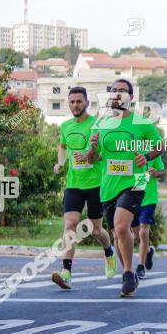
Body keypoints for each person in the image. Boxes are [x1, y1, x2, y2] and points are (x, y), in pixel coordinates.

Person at [86, 78, 164, 297]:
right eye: (114, 91)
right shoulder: (101, 125)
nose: (118, 94)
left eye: (123, 91)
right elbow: (93, 160)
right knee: (118, 233)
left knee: (121, 227)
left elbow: (160, 146)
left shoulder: (142, 123)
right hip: (109, 185)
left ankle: (128, 273)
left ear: (131, 97)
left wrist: (147, 157)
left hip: (137, 181)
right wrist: (92, 149)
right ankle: (128, 273)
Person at [51, 87, 116, 289]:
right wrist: (60, 163)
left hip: (95, 184)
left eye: (79, 101)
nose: (75, 105)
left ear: (87, 103)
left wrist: (89, 156)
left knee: (96, 230)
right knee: (70, 225)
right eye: (72, 102)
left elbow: (103, 155)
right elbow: (63, 146)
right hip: (74, 184)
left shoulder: (97, 125)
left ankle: (109, 252)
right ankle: (66, 272)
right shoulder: (66, 126)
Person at [134, 154, 165, 279]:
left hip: (149, 198)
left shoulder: (152, 152)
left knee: (143, 232)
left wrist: (156, 173)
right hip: (132, 197)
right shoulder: (128, 149)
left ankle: (140, 266)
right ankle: (147, 251)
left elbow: (162, 171)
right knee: (136, 235)